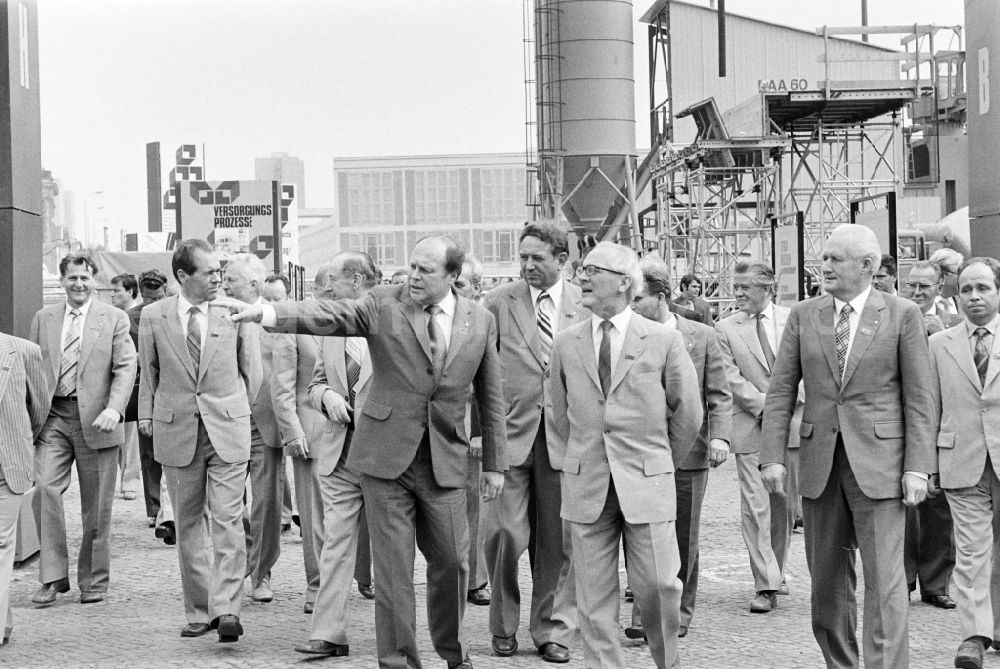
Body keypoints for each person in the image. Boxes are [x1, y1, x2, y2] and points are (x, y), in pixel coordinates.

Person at [215, 235, 508, 669]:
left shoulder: (479, 320)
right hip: (385, 461)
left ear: (452, 275)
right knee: (392, 574)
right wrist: (269, 312)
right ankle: (397, 660)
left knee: (452, 564)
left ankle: (453, 651)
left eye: (426, 270)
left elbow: (491, 394)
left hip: (445, 461)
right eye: (411, 266)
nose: (413, 276)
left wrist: (495, 465)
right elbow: (331, 313)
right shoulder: (383, 303)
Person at [761, 223, 935, 668]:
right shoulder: (803, 315)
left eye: (837, 258)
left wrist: (918, 467)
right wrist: (772, 457)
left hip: (882, 466)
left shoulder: (901, 315)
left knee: (885, 584)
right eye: (825, 258)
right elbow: (781, 390)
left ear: (868, 265)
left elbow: (919, 398)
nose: (826, 266)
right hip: (820, 467)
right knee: (826, 586)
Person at [548, 242, 702, 669]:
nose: (582, 277)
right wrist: (579, 457)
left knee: (658, 587)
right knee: (593, 603)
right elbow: (558, 413)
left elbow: (688, 413)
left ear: (623, 283)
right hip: (587, 485)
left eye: (592, 270)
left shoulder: (663, 340)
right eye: (582, 269)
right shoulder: (566, 342)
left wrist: (657, 459)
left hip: (646, 483)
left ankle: (666, 661)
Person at [138, 239, 261, 643]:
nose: (217, 278)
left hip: (227, 428)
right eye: (208, 272)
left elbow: (252, 375)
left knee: (227, 520)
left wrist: (235, 411)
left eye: (219, 271)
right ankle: (199, 611)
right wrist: (149, 416)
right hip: (178, 432)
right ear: (182, 276)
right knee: (188, 522)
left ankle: (227, 609)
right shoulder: (154, 317)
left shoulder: (234, 312)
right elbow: (149, 374)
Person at [482, 222, 585, 663]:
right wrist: (478, 430)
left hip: (566, 438)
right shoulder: (497, 303)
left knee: (557, 542)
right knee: (504, 533)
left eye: (537, 258)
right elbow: (478, 372)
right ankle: (503, 625)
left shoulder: (586, 303)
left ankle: (551, 630)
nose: (527, 266)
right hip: (509, 435)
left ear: (562, 260)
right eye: (522, 257)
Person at [628, 257, 731, 638]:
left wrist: (720, 436)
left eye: (638, 298)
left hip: (690, 453)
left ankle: (681, 612)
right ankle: (644, 615)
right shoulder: (629, 334)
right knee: (643, 534)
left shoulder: (701, 336)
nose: (633, 306)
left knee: (684, 533)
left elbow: (718, 392)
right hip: (642, 452)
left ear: (663, 297)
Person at [29, 252, 137, 606]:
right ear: (62, 282)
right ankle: (52, 577)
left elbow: (125, 367)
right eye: (72, 278)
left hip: (98, 420)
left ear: (95, 282)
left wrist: (114, 409)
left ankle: (94, 581)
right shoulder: (43, 319)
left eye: (85, 278)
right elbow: (33, 368)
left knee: (97, 506)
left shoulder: (115, 318)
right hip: (54, 417)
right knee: (45, 488)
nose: (79, 284)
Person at [293, 252, 380, 656]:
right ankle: (328, 633)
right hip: (338, 452)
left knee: (395, 548)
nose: (327, 290)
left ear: (357, 279)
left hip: (385, 457)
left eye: (334, 282)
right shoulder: (332, 329)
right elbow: (314, 384)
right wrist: (326, 396)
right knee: (336, 543)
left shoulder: (392, 322)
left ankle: (406, 635)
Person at [715, 262, 802, 613]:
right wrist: (767, 406)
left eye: (745, 287)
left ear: (767, 289)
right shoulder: (725, 328)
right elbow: (729, 377)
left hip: (793, 427)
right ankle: (765, 583)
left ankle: (775, 572)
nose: (737, 293)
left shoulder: (794, 319)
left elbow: (808, 367)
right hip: (752, 426)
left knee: (783, 506)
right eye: (735, 286)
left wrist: (786, 406)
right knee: (755, 507)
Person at [930, 257, 1000, 669]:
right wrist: (928, 464)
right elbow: (929, 407)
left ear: (998, 292)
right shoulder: (940, 345)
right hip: (961, 459)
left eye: (983, 288)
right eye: (967, 289)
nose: (974, 296)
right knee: (971, 552)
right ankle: (974, 636)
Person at [222, 254, 287, 604]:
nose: (224, 283)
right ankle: (242, 559)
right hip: (229, 422)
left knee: (266, 503)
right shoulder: (220, 314)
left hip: (267, 422)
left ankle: (261, 573)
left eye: (230, 278)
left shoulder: (277, 318)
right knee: (229, 502)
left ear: (253, 286)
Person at [899, 259, 958, 609]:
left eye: (925, 286)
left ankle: (936, 585)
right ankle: (902, 579)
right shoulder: (893, 315)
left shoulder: (951, 321)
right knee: (904, 506)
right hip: (904, 420)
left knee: (940, 508)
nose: (917, 292)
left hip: (943, 419)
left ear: (939, 287)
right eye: (912, 285)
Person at [0, 332, 50, 643]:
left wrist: (17, 442)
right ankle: (4, 622)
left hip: (7, 468)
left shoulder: (23, 351)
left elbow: (39, 409)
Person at [125, 269, 174, 544]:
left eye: (156, 297)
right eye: (147, 298)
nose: (151, 303)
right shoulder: (131, 318)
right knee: (148, 452)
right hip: (143, 387)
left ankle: (168, 508)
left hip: (169, 386)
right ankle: (154, 508)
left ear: (165, 291)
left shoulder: (173, 311)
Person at [454, 256, 491, 609]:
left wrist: (480, 431)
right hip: (438, 427)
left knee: (473, 508)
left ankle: (476, 579)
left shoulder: (483, 323)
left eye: (461, 284)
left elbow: (490, 383)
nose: (454, 291)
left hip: (470, 427)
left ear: (477, 288)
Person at [110, 273, 142, 503]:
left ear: (130, 291)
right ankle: (126, 478)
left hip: (135, 381)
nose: (113, 295)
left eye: (116, 290)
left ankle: (129, 480)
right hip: (118, 381)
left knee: (130, 435)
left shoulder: (137, 316)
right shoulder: (116, 316)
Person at [930, 248, 964, 314]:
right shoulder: (923, 303)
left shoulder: (963, 302)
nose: (962, 278)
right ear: (943, 274)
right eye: (959, 273)